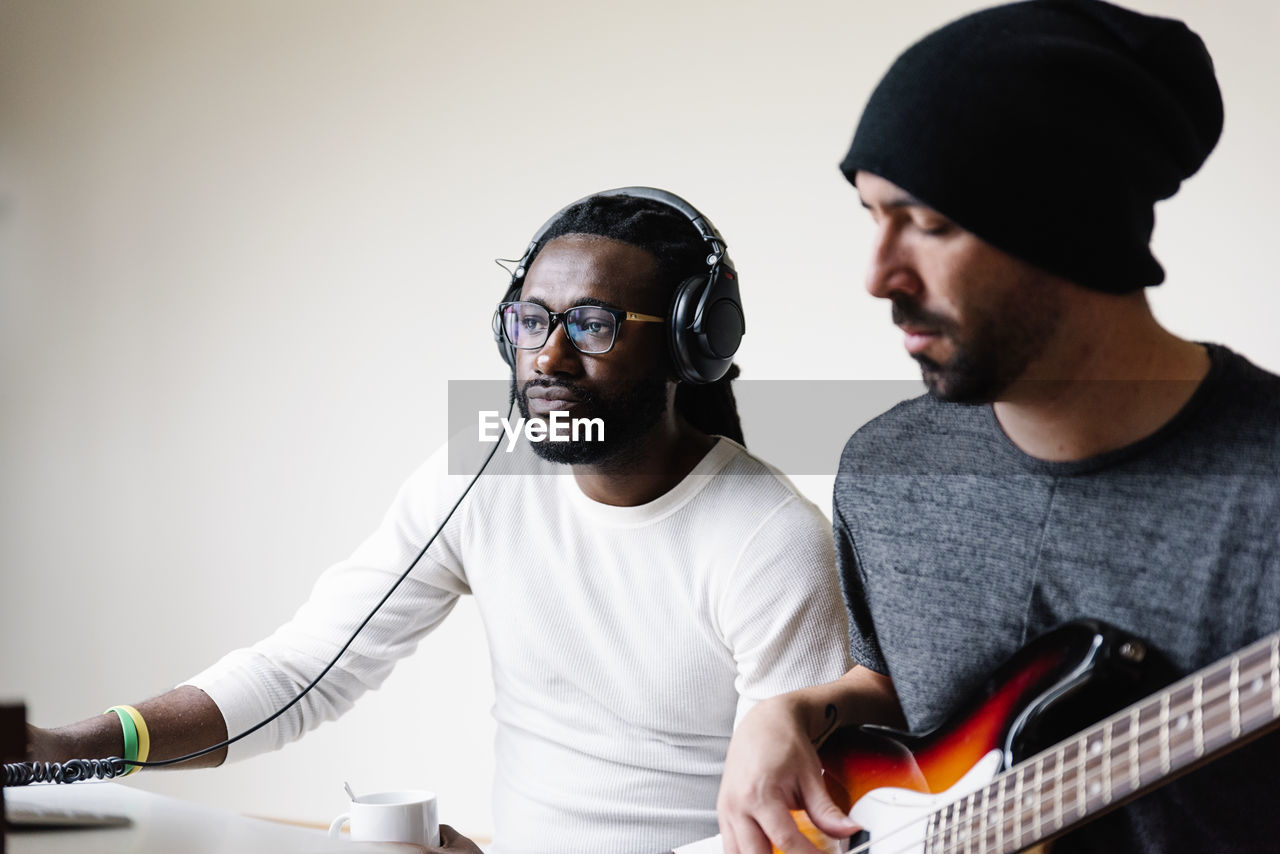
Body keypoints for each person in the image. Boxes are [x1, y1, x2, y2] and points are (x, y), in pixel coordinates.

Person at [26, 189, 852, 854]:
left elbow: (783, 836)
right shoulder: (484, 476)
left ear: (689, 343)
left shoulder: (769, 538)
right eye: (532, 321)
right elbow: (305, 671)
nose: (549, 359)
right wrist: (71, 748)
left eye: (594, 325)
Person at [715, 2, 1280, 853]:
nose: (877, 275)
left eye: (929, 223)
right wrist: (794, 710)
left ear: (1073, 229)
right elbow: (907, 691)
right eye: (873, 216)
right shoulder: (888, 467)